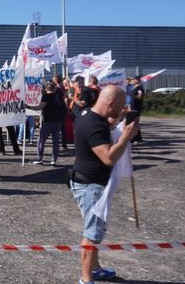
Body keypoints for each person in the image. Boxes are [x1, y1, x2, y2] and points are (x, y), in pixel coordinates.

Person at [70, 85, 139, 284]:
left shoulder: (88, 114)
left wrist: (118, 121)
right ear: (110, 103)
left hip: (87, 182)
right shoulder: (95, 125)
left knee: (95, 230)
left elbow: (104, 126)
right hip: (90, 186)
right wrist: (126, 136)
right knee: (92, 234)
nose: (121, 108)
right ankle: (86, 279)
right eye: (119, 106)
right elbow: (108, 157)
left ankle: (95, 269)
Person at [27, 82, 66, 165]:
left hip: (48, 121)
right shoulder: (58, 96)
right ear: (54, 89)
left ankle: (39, 158)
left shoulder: (46, 97)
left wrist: (28, 107)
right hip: (58, 121)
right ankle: (53, 160)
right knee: (55, 142)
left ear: (45, 89)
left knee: (41, 140)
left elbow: (40, 107)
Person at [130, 76, 144, 143]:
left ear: (137, 80)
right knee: (133, 123)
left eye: (133, 79)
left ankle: (136, 138)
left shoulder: (139, 88)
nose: (131, 81)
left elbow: (139, 97)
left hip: (136, 108)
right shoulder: (133, 88)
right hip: (132, 107)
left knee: (135, 123)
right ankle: (137, 138)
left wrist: (134, 96)